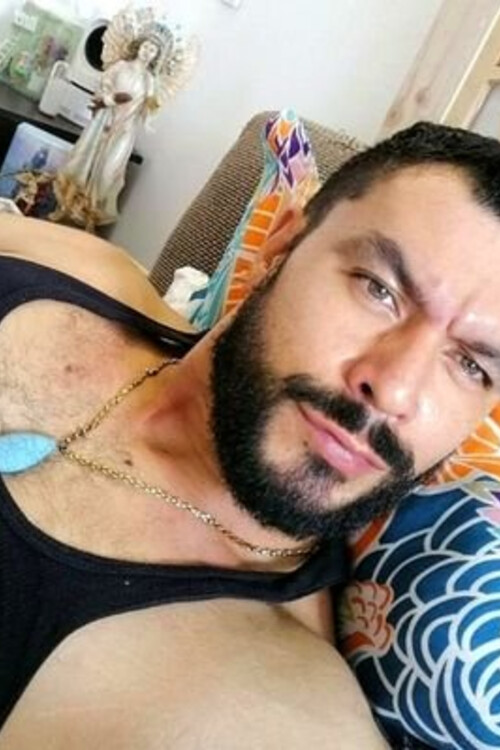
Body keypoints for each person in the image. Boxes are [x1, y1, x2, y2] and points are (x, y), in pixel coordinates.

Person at [1, 120, 500, 748]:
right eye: (380, 290)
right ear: (281, 245)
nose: (395, 389)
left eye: (472, 365)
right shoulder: (70, 268)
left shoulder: (277, 705)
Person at [52, 36, 162, 231]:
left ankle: (90, 215)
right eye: (146, 46)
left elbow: (149, 107)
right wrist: (112, 99)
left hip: (125, 129)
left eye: (153, 50)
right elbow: (102, 89)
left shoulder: (149, 80)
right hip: (104, 120)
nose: (147, 52)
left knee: (107, 173)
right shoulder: (120, 67)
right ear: (138, 46)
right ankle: (66, 207)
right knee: (84, 160)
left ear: (156, 56)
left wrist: (150, 111)